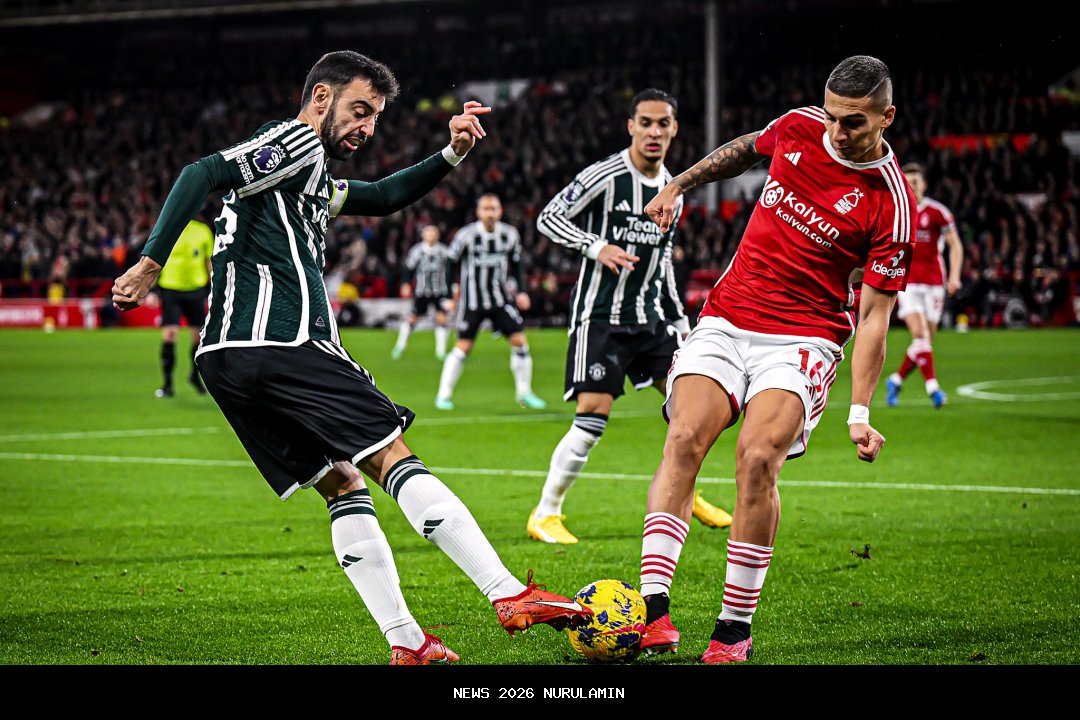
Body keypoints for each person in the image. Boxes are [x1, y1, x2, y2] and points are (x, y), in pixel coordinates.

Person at [110, 50, 590, 665]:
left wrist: (451, 155)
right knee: (391, 454)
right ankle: (508, 592)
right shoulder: (296, 142)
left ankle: (407, 643)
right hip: (282, 340)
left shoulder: (303, 179)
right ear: (319, 99)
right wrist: (153, 259)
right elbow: (199, 172)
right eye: (359, 111)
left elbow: (384, 196)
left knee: (342, 483)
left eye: (375, 118)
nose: (366, 128)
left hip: (226, 359)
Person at [636, 56, 914, 663]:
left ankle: (733, 628)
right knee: (684, 436)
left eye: (856, 123)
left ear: (887, 116)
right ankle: (653, 610)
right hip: (728, 317)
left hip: (804, 338)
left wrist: (859, 411)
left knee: (757, 458)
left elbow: (873, 316)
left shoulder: (889, 202)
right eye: (834, 116)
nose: (838, 133)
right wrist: (679, 182)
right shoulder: (798, 126)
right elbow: (743, 148)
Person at [527, 88, 732, 545]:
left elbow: (661, 264)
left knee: (691, 413)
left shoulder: (672, 189)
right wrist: (597, 247)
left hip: (653, 320)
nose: (654, 131)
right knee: (593, 416)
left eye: (663, 123)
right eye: (645, 122)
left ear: (674, 128)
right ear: (631, 126)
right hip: (600, 317)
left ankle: (683, 494)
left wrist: (681, 322)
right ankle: (546, 513)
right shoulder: (605, 175)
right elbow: (549, 217)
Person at [434, 194, 546, 410]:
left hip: (500, 300)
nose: (489, 213)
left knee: (520, 342)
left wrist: (522, 292)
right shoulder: (466, 235)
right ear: (478, 212)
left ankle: (525, 392)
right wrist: (448, 295)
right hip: (473, 303)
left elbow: (517, 264)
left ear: (500, 211)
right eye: (485, 209)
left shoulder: (509, 234)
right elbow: (450, 263)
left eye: (493, 208)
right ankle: (444, 395)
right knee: (463, 347)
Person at [885, 162, 962, 408]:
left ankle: (895, 380)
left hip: (935, 283)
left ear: (924, 185)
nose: (912, 187)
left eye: (916, 182)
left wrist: (955, 276)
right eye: (907, 182)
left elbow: (955, 245)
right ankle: (934, 389)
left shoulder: (937, 212)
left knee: (924, 342)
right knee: (920, 335)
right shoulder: (896, 211)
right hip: (907, 283)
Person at [153, 218, 213, 398]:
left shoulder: (203, 231)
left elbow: (208, 260)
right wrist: (152, 290)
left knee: (198, 338)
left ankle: (195, 376)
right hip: (170, 289)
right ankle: (168, 384)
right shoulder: (169, 226)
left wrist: (214, 285)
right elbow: (156, 258)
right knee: (170, 335)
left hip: (195, 290)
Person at [391, 224, 452, 360]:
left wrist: (451, 289)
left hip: (439, 291)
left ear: (437, 235)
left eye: (433, 232)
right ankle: (400, 346)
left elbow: (450, 271)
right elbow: (408, 268)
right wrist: (406, 283)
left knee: (442, 319)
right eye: (428, 232)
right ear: (423, 235)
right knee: (412, 318)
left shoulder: (443, 251)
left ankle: (440, 351)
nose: (430, 235)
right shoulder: (417, 250)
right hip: (421, 291)